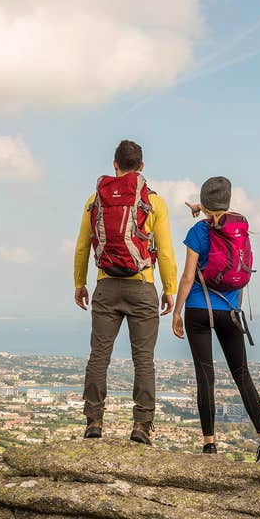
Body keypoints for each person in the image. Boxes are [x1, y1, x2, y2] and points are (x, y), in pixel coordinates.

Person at [73, 140, 177, 445]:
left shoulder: (95, 200)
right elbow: (167, 252)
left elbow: (82, 245)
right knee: (143, 359)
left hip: (105, 286)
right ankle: (141, 426)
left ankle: (94, 421)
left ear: (115, 165)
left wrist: (80, 283)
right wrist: (169, 289)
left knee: (99, 356)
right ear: (141, 167)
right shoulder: (154, 203)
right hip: (142, 285)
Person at [171, 176, 260, 463]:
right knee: (242, 375)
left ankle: (210, 445)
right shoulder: (239, 229)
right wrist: (202, 207)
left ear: (204, 205)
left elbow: (188, 276)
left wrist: (177, 312)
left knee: (206, 377)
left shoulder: (198, 232)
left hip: (197, 309)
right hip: (229, 310)